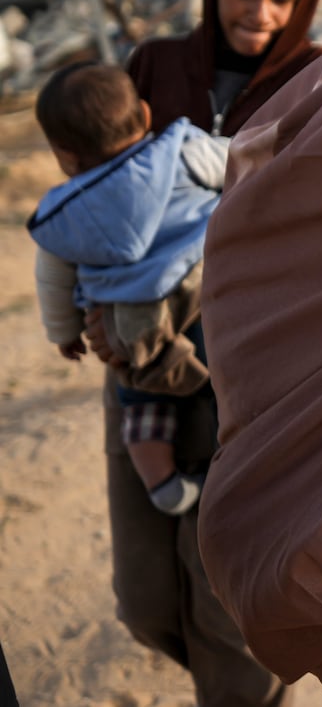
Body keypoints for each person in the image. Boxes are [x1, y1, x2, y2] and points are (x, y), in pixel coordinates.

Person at [86, 0, 322, 707]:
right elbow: (97, 190)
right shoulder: (152, 67)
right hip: (146, 364)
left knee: (228, 607)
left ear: (306, 0)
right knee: (147, 599)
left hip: (255, 381)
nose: (260, 11)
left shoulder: (321, 79)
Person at [30, 63, 225, 516]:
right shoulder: (184, 153)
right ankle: (236, 465)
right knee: (225, 386)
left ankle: (162, 483)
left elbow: (53, 277)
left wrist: (64, 332)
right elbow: (249, 160)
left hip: (127, 322)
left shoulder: (67, 212)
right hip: (202, 299)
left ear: (64, 154)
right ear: (143, 111)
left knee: (139, 392)